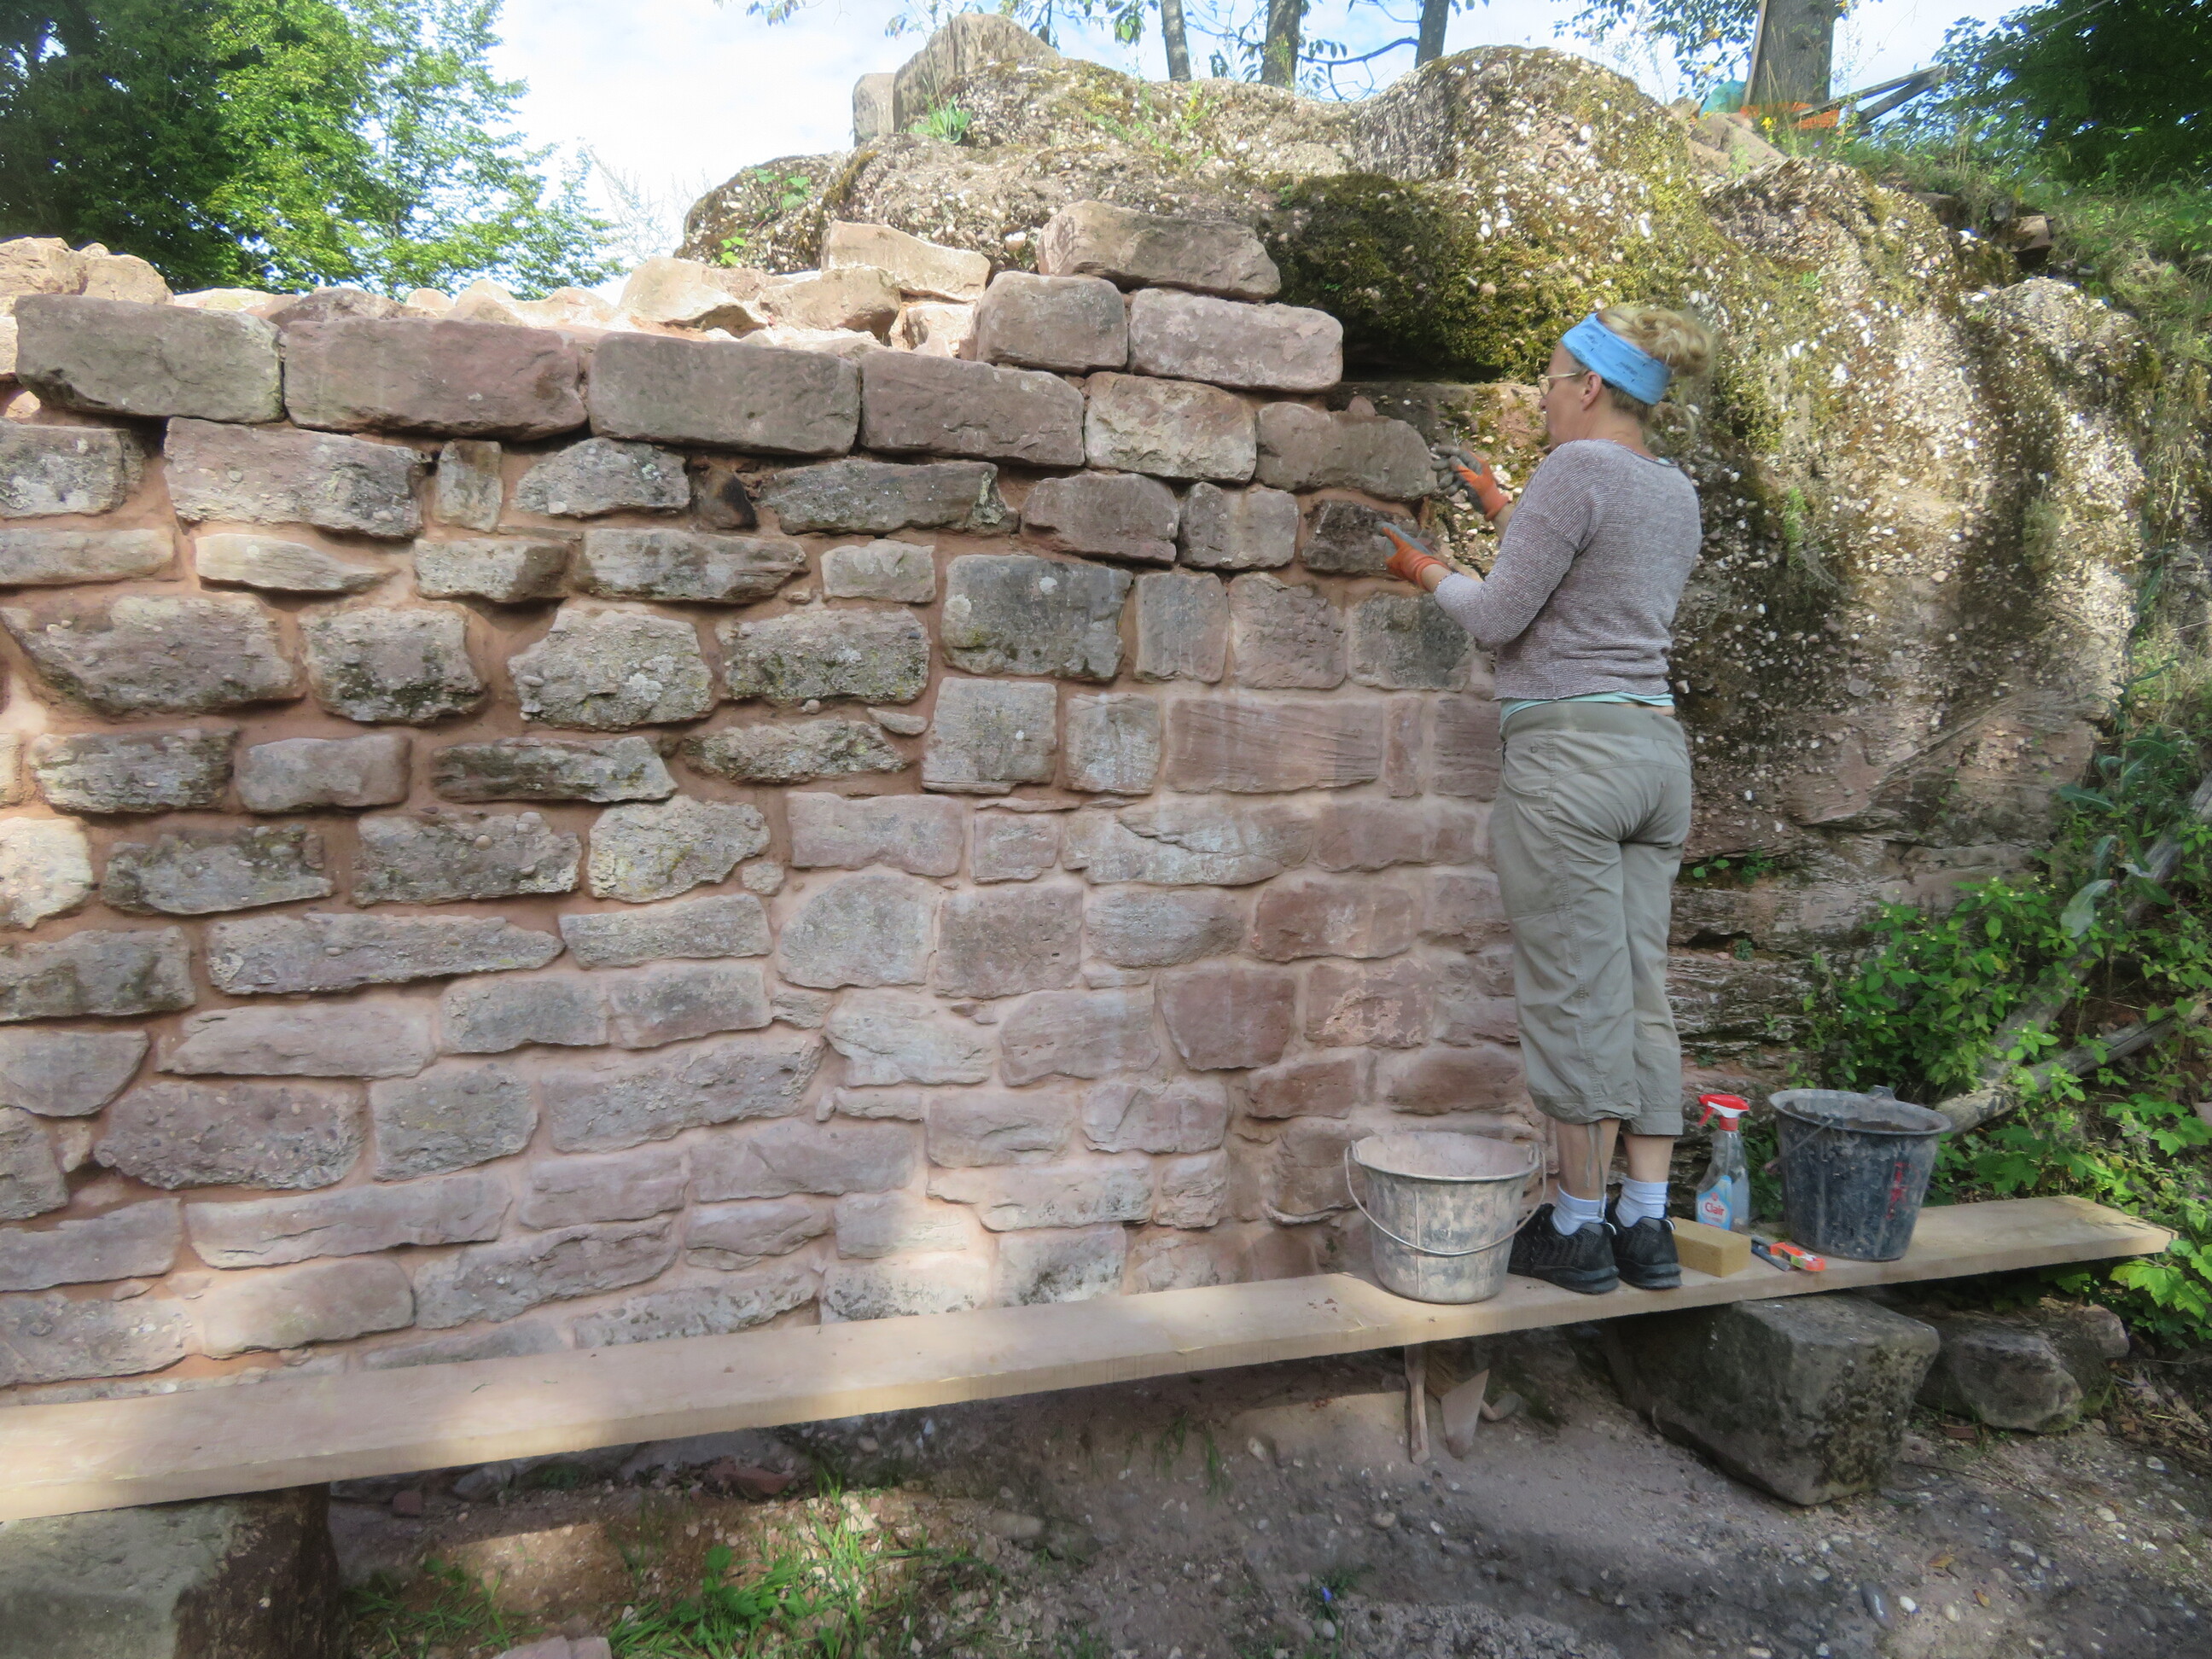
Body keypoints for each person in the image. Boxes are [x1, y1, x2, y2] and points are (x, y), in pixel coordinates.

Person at [1380, 305, 1713, 1296]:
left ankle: (1575, 1228)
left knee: (1575, 995)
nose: (1544, 397)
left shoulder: (1574, 471)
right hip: (1654, 758)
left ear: (1592, 387)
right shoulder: (1674, 489)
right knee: (1640, 990)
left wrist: (1426, 571)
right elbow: (1592, 576)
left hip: (1572, 757)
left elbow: (1498, 617)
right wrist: (1502, 509)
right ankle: (1644, 1224)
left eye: (1553, 380)